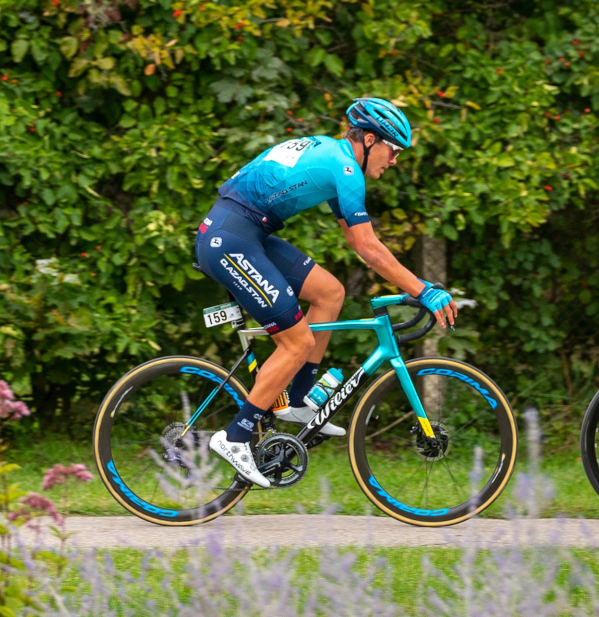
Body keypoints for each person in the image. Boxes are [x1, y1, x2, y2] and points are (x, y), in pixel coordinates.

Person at [195, 97, 456, 487]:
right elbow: (369, 248)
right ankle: (235, 437)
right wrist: (424, 290)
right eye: (393, 150)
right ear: (369, 140)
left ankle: (297, 403)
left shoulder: (336, 158)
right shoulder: (346, 167)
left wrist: (417, 287)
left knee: (329, 292)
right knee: (295, 343)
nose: (395, 160)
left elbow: (356, 240)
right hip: (231, 238)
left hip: (245, 231)